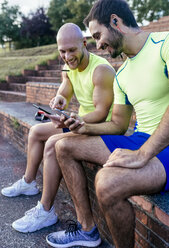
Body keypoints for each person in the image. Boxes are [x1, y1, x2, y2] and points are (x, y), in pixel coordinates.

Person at [45, 1, 169, 248]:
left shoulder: (164, 45)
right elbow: (118, 125)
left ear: (116, 22)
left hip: (164, 146)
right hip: (140, 137)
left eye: (98, 35)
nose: (98, 44)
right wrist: (82, 126)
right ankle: (87, 230)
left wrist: (143, 154)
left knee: (107, 182)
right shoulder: (122, 74)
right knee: (63, 146)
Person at [1, 23, 115, 235]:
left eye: (72, 50)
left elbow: (101, 112)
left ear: (84, 43)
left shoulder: (101, 70)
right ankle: (28, 183)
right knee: (36, 132)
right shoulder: (68, 65)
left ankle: (45, 211)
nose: (67, 56)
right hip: (76, 121)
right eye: (62, 51)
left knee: (53, 145)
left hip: (97, 128)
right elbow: (66, 87)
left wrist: (74, 118)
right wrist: (61, 98)